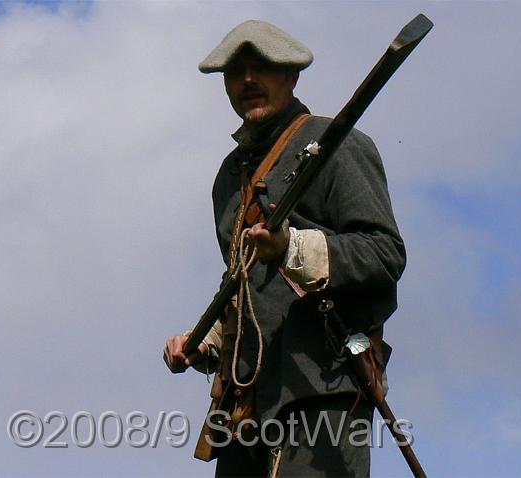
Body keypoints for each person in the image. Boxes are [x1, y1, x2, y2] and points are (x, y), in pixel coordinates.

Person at [164, 19, 406, 477]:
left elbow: (384, 253)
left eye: (263, 68)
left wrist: (293, 248)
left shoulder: (339, 145)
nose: (248, 80)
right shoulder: (231, 175)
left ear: (292, 76)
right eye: (237, 73)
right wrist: (205, 341)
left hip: (323, 392)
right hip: (244, 407)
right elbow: (243, 279)